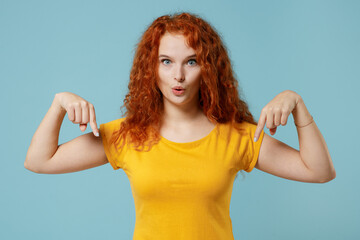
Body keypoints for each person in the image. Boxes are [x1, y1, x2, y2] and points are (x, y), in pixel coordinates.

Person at [25, 12, 336, 240]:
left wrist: (296, 104)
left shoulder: (238, 136)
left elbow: (319, 171)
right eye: (166, 61)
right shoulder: (127, 135)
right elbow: (39, 161)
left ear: (208, 68)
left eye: (191, 61)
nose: (178, 76)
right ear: (151, 68)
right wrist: (59, 104)